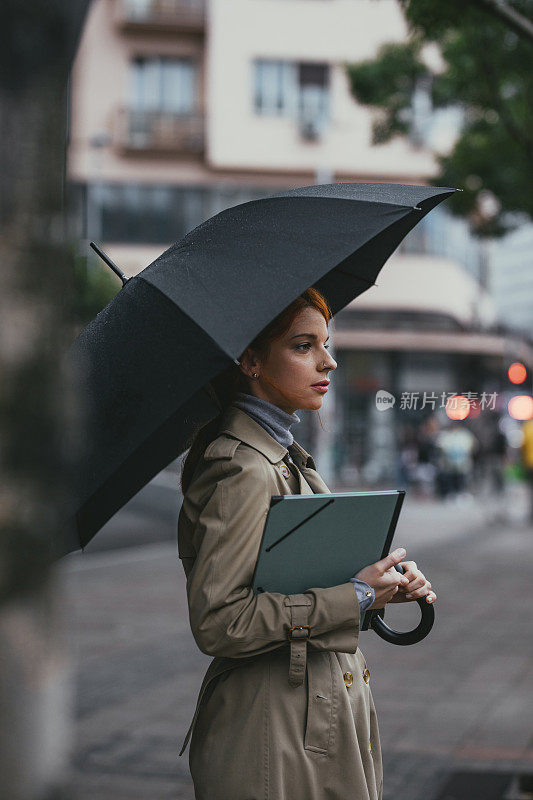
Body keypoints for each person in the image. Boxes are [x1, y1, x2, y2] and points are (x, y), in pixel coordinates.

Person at [177, 288, 436, 800]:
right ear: (251, 361)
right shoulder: (242, 468)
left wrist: (380, 588)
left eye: (326, 343)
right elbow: (219, 621)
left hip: (307, 713)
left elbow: (293, 585)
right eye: (303, 346)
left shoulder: (283, 455)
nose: (329, 361)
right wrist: (355, 596)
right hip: (272, 727)